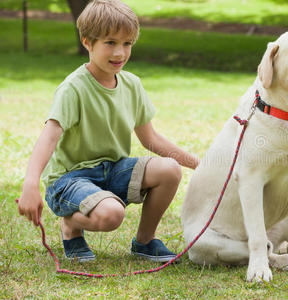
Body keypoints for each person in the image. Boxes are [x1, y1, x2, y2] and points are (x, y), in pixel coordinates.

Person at [17, 0, 199, 262]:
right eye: (110, 43)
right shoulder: (73, 88)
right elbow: (49, 137)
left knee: (169, 169)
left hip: (113, 169)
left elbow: (150, 138)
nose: (120, 53)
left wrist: (198, 164)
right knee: (112, 215)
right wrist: (30, 184)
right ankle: (70, 226)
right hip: (70, 179)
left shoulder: (132, 84)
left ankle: (145, 242)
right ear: (87, 42)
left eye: (127, 44)